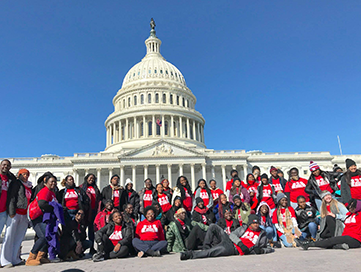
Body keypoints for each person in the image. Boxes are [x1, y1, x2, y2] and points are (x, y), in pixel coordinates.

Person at [180, 214, 274, 260]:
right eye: (254, 223)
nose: (256, 225)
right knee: (213, 226)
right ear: (250, 223)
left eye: (257, 223)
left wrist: (262, 251)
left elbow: (269, 248)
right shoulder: (244, 228)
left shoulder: (262, 234)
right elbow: (232, 234)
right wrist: (240, 243)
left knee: (212, 253)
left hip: (232, 249)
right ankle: (206, 246)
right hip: (229, 240)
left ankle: (189, 255)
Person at [1, 169, 32, 267]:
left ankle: (15, 259)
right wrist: (11, 212)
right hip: (15, 213)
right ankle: (4, 260)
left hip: (24, 215)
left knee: (18, 238)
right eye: (23, 174)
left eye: (27, 174)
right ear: (19, 175)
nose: (25, 176)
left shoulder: (29, 186)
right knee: (9, 237)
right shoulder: (16, 184)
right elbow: (12, 197)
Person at [26, 173, 58, 266]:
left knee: (47, 236)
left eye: (55, 182)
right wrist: (54, 208)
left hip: (43, 218)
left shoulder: (52, 193)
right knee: (43, 236)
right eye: (51, 181)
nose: (54, 183)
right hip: (37, 217)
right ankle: (31, 258)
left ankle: (40, 257)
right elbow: (42, 204)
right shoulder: (45, 191)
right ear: (45, 183)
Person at [80, 173, 101, 254]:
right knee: (82, 230)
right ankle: (80, 249)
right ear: (86, 178)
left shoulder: (95, 189)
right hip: (85, 212)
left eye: (93, 178)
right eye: (90, 178)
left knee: (92, 231)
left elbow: (99, 199)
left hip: (93, 211)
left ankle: (92, 248)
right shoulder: (82, 188)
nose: (91, 179)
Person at [0, 160, 16, 240]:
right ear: (0, 165)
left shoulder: (11, 180)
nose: (5, 167)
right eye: (4, 165)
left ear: (10, 168)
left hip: (3, 211)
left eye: (7, 166)